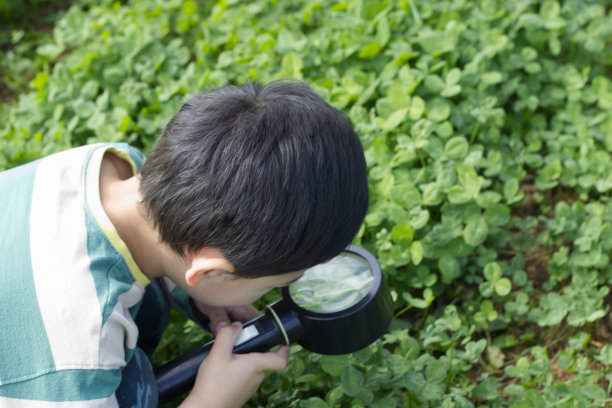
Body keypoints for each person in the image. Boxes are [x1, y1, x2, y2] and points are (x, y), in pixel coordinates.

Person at [0, 80, 369, 407]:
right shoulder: (80, 351)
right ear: (211, 272)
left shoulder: (113, 164)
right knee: (134, 389)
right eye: (274, 285)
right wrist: (211, 401)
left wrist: (198, 295)